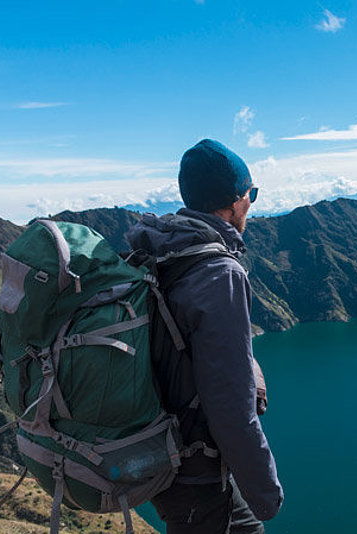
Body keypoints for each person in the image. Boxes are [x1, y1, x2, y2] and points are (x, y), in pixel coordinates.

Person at [126, 139, 283, 533]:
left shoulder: (159, 248)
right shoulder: (218, 273)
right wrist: (266, 493)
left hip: (159, 451)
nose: (252, 203)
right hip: (194, 473)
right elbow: (231, 405)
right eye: (252, 194)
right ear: (234, 201)